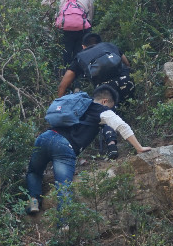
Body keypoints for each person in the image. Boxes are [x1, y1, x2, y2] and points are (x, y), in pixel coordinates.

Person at [25, 85, 151, 217]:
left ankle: (34, 201)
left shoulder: (77, 106)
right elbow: (121, 126)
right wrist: (139, 148)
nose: (111, 110)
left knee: (34, 171)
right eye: (111, 106)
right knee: (63, 185)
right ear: (104, 101)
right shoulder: (101, 110)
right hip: (63, 146)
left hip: (44, 137)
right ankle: (63, 226)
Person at [57, 33, 136, 159]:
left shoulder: (80, 56)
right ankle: (134, 124)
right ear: (100, 42)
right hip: (127, 82)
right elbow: (127, 63)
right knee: (124, 105)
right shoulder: (109, 46)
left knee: (105, 112)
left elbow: (63, 85)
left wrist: (59, 105)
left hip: (106, 88)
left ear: (83, 46)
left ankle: (111, 145)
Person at [43, 0, 94, 64]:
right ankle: (78, 73)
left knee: (65, 53)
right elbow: (90, 16)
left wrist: (53, 18)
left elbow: (44, 3)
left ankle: (64, 73)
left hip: (63, 28)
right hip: (82, 29)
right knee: (80, 53)